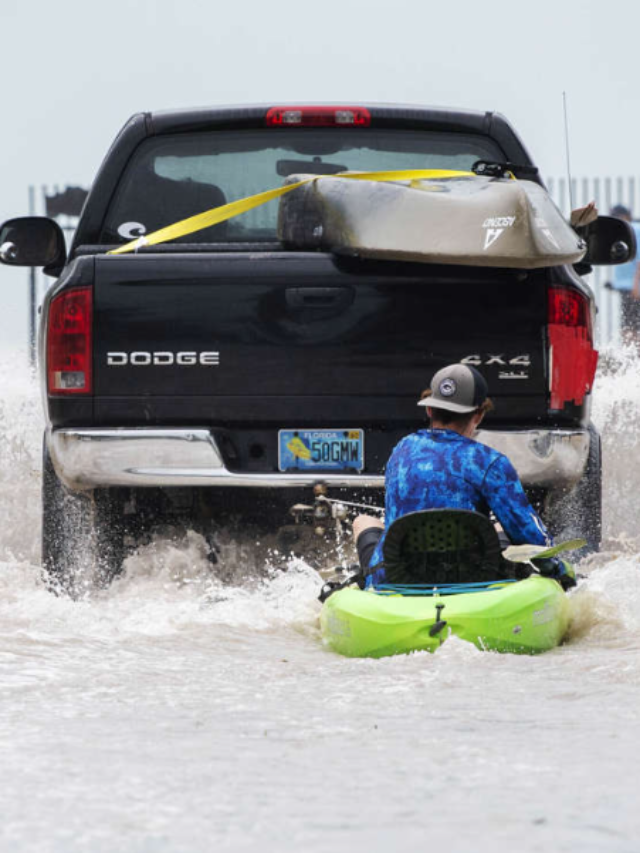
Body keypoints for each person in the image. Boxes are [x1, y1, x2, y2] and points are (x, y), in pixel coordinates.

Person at [353, 363, 576, 588]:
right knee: (500, 527)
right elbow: (528, 533)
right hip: (471, 578)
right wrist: (557, 571)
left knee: (363, 521)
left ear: (429, 410)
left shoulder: (402, 450)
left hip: (398, 577)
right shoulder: (489, 462)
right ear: (478, 415)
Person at [609, 205, 640, 344]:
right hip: (628, 286)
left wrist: (636, 285)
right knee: (629, 325)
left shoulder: (633, 229)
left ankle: (632, 357)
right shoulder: (626, 230)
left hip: (634, 288)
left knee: (631, 326)